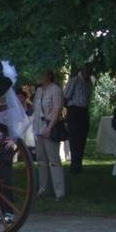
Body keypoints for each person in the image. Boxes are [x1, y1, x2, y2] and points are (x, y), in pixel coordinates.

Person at [32, 70, 66, 200]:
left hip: (49, 126)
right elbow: (36, 110)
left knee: (54, 160)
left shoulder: (55, 89)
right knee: (41, 160)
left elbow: (57, 109)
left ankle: (59, 192)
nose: (37, 76)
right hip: (38, 127)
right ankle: (43, 189)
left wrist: (50, 127)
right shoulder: (39, 90)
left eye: (41, 73)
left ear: (49, 75)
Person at [63, 64, 92, 174]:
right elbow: (66, 96)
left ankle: (78, 163)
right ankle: (74, 165)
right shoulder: (74, 80)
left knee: (82, 138)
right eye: (87, 70)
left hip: (84, 111)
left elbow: (88, 98)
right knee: (74, 137)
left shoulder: (89, 82)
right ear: (82, 69)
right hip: (74, 110)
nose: (89, 72)